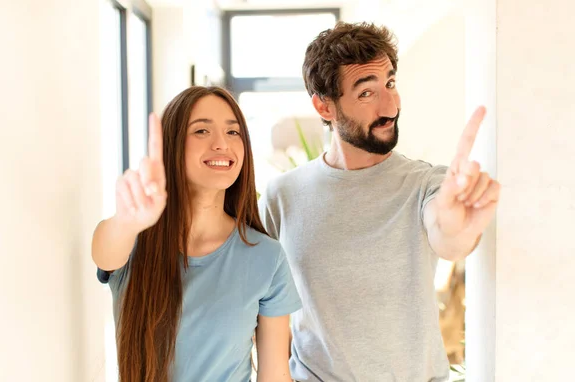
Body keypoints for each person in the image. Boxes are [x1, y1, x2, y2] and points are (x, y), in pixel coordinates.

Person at [258, 22, 501, 381]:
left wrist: (456, 227)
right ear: (325, 107)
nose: (390, 105)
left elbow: (447, 235)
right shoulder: (282, 196)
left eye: (389, 83)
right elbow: (260, 304)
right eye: (366, 92)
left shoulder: (426, 184)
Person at [92, 86, 302, 382]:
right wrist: (129, 221)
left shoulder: (266, 256)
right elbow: (103, 251)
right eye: (202, 131)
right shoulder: (134, 239)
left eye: (233, 133)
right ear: (172, 145)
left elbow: (276, 376)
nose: (221, 144)